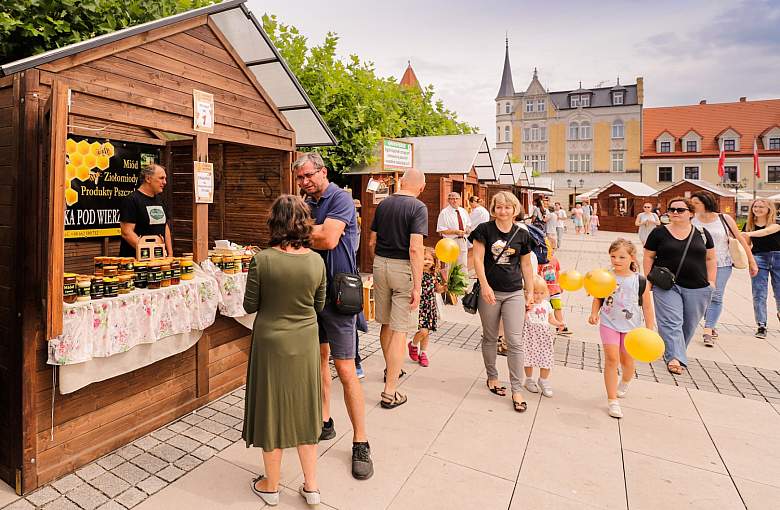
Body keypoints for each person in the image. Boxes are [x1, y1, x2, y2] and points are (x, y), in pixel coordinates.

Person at [242, 195, 326, 507]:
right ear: (305, 222)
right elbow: (319, 306)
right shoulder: (316, 261)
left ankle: (271, 486)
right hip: (304, 342)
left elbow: (249, 305)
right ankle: (312, 486)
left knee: (272, 410)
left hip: (270, 342)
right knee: (305, 410)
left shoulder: (262, 260)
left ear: (274, 221)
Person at [295, 152, 373, 480]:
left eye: (308, 176)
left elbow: (327, 238)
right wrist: (306, 230)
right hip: (310, 295)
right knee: (317, 362)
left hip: (339, 296)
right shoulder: (304, 202)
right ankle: (325, 421)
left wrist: (298, 231)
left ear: (323, 172)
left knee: (345, 368)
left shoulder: (339, 197)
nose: (304, 182)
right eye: (299, 178)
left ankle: (360, 441)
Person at [468, 191, 536, 413]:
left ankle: (517, 389)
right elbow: (477, 258)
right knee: (490, 337)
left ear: (514, 209)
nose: (503, 211)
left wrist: (530, 291)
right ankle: (492, 377)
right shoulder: (484, 230)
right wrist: (485, 286)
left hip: (514, 291)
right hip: (490, 292)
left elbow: (526, 265)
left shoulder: (522, 234)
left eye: (507, 207)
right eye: (499, 207)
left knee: (515, 341)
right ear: (493, 209)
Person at [369, 168, 428, 409]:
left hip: (380, 264)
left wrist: (381, 262)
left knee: (385, 324)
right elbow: (416, 249)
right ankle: (390, 391)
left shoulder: (383, 205)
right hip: (403, 268)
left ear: (401, 182)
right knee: (400, 328)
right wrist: (417, 285)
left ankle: (390, 369)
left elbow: (372, 240)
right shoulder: (418, 208)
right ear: (421, 188)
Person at [643, 197, 715, 375]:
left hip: (698, 286)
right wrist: (648, 279)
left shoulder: (703, 233)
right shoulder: (658, 233)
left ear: (691, 213)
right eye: (671, 209)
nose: (675, 212)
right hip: (666, 285)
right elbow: (648, 256)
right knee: (671, 322)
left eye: (680, 210)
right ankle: (674, 358)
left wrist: (712, 282)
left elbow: (711, 259)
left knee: (689, 325)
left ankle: (674, 350)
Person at [588, 239, 655, 419]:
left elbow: (647, 307)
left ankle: (625, 381)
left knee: (627, 361)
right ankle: (612, 401)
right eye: (613, 256)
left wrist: (649, 329)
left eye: (621, 257)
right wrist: (594, 313)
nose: (616, 260)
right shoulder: (606, 277)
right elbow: (598, 297)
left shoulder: (640, 281)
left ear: (632, 258)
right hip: (608, 323)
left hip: (632, 329)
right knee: (611, 359)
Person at [691, 191, 758, 346]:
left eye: (696, 203)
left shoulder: (724, 219)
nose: (692, 206)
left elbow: (740, 239)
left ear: (706, 203)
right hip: (697, 264)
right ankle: (710, 321)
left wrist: (752, 261)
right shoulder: (692, 220)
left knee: (716, 295)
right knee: (703, 295)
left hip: (722, 263)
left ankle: (709, 329)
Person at [741, 199, 780, 339]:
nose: (757, 209)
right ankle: (761, 325)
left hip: (778, 258)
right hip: (759, 259)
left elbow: (767, 232)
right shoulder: (749, 225)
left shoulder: (776, 223)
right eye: (755, 206)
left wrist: (746, 234)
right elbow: (746, 245)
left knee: (779, 292)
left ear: (769, 208)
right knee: (759, 293)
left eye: (761, 206)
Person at [522, 275, 563, 398]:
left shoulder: (546, 304)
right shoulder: (527, 304)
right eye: (535, 292)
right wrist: (527, 310)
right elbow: (522, 319)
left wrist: (558, 323)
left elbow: (550, 319)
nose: (538, 296)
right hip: (530, 335)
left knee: (546, 358)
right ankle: (528, 379)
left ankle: (543, 380)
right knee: (528, 357)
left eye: (541, 293)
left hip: (544, 336)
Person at [119, 163, 173, 257]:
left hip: (158, 258)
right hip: (135, 261)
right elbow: (126, 232)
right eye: (161, 178)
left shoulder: (160, 200)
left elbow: (165, 226)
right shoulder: (132, 200)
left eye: (165, 178)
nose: (165, 182)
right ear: (148, 179)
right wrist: (150, 251)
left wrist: (170, 253)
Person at [408, 247, 445, 367]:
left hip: (430, 306)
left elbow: (437, 289)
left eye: (430, 259)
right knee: (423, 331)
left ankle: (423, 353)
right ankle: (413, 345)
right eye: (424, 259)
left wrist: (445, 287)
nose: (427, 261)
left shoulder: (434, 274)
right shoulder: (416, 272)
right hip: (420, 305)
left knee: (426, 332)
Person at [537, 245, 571, 336]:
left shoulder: (555, 260)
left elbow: (558, 272)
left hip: (555, 289)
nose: (551, 251)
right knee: (543, 308)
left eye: (552, 249)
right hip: (544, 291)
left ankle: (561, 326)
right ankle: (542, 326)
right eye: (548, 249)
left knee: (558, 307)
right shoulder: (540, 261)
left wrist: (561, 285)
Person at [436, 192, 471, 269]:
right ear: (448, 200)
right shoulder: (444, 213)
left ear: (460, 200)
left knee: (463, 265)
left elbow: (468, 224)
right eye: (452, 199)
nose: (455, 201)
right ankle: (450, 281)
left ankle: (462, 281)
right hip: (450, 242)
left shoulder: (463, 211)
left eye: (456, 199)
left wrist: (467, 230)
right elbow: (441, 230)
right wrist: (455, 232)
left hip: (462, 241)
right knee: (450, 266)